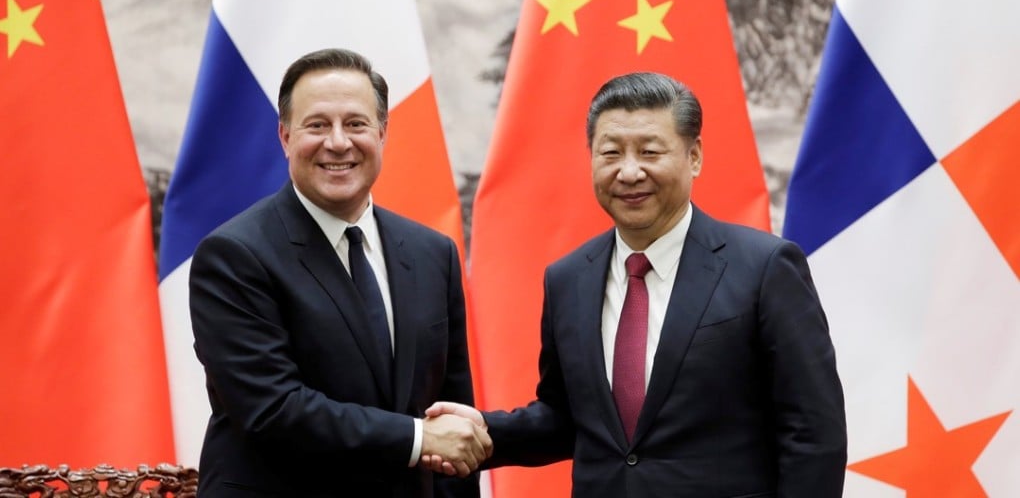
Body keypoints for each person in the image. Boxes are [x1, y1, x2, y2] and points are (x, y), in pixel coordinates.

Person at [427, 72, 847, 496]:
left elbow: (813, 434)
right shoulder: (568, 280)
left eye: (649, 151)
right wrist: (484, 430)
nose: (629, 172)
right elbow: (567, 419)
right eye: (610, 153)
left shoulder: (765, 268)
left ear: (694, 156)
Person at [189, 48, 490, 497]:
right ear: (285, 136)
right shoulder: (234, 255)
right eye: (317, 125)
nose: (337, 142)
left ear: (382, 133)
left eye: (355, 124)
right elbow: (272, 408)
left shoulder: (432, 254)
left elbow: (451, 416)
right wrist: (417, 438)